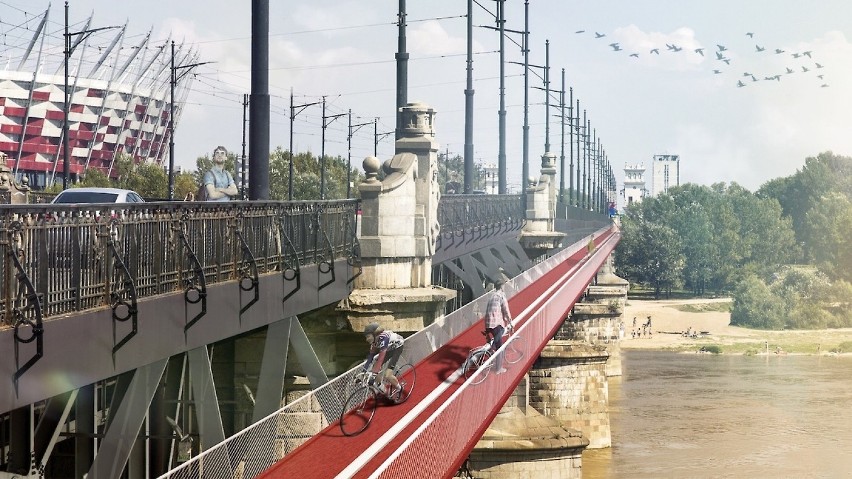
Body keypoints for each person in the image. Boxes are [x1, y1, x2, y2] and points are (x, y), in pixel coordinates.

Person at [362, 322, 404, 398]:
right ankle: (381, 387)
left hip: (397, 347)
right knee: (374, 367)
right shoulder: (374, 343)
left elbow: (381, 357)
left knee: (388, 375)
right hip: (390, 348)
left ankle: (399, 388)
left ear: (375, 334)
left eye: (368, 336)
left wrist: (374, 373)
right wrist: (363, 372)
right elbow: (370, 358)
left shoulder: (384, 337)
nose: (366, 339)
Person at [485, 278, 513, 374]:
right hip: (496, 323)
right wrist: (510, 321)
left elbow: (493, 311)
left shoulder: (492, 296)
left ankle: (492, 349)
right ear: (501, 286)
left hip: (489, 323)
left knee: (497, 340)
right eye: (504, 285)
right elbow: (506, 310)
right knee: (500, 347)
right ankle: (498, 369)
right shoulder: (501, 296)